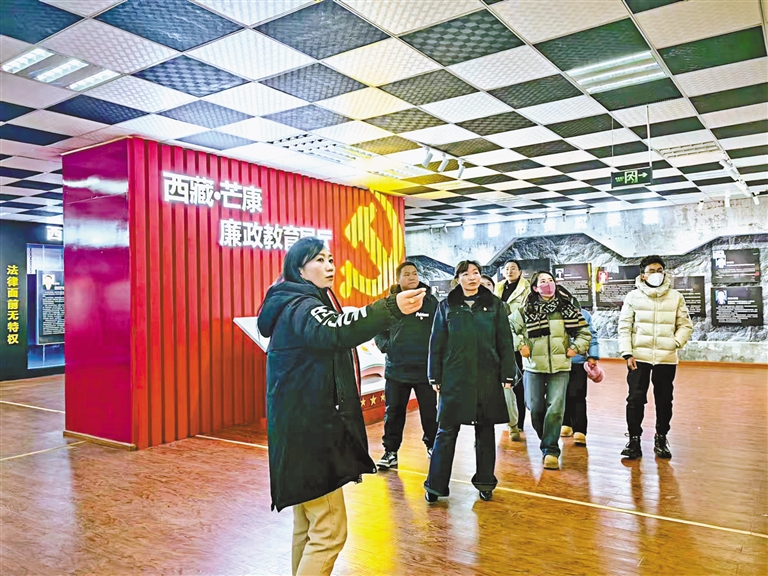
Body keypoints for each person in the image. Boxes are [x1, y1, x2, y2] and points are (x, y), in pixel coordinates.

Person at [257, 237, 426, 576]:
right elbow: (337, 330)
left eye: (331, 259)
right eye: (319, 260)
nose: (330, 266)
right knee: (330, 531)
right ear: (299, 268)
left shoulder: (294, 302)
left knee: (309, 526)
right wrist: (390, 307)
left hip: (297, 431)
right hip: (311, 433)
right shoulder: (302, 306)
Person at [425, 260, 519, 502]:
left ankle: (486, 482)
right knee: (446, 432)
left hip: (487, 377)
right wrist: (434, 375)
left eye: (476, 273)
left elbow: (505, 341)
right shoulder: (446, 306)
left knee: (485, 431)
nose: (472, 277)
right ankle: (435, 486)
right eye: (466, 274)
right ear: (458, 278)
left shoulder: (495, 305)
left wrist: (508, 373)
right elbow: (436, 342)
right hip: (454, 378)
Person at [509, 271, 592, 470]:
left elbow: (584, 332)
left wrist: (576, 348)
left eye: (551, 280)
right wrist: (520, 345)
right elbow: (507, 329)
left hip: (560, 366)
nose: (548, 284)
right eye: (543, 281)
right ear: (535, 288)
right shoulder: (525, 310)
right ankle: (547, 438)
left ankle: (550, 450)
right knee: (535, 407)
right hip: (533, 367)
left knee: (555, 409)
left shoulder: (567, 308)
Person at [618, 255, 693, 460]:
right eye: (651, 271)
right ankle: (634, 439)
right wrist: (627, 353)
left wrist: (674, 343)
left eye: (659, 270)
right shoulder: (633, 297)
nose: (656, 274)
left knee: (664, 399)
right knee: (635, 399)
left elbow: (685, 325)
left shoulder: (676, 297)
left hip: (665, 358)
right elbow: (624, 327)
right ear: (643, 275)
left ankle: (661, 438)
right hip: (638, 357)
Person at [374, 261, 439, 469]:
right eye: (407, 274)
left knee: (430, 412)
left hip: (424, 370)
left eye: (414, 273)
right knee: (394, 412)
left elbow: (440, 330)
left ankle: (433, 446)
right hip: (396, 370)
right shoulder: (389, 304)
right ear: (398, 279)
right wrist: (388, 346)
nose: (412, 277)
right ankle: (390, 452)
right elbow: (378, 329)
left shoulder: (430, 302)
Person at [494, 260, 530, 441]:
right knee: (503, 382)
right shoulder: (498, 288)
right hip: (499, 338)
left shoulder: (527, 289)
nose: (509, 271)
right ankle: (508, 418)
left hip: (517, 338)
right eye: (506, 269)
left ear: (520, 271)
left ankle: (519, 422)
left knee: (518, 383)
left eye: (513, 268)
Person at [561, 308, 600, 446]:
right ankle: (566, 423)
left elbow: (591, 335)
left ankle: (580, 429)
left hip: (578, 361)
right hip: (557, 363)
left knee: (578, 396)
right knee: (562, 395)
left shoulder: (583, 314)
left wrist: (593, 355)